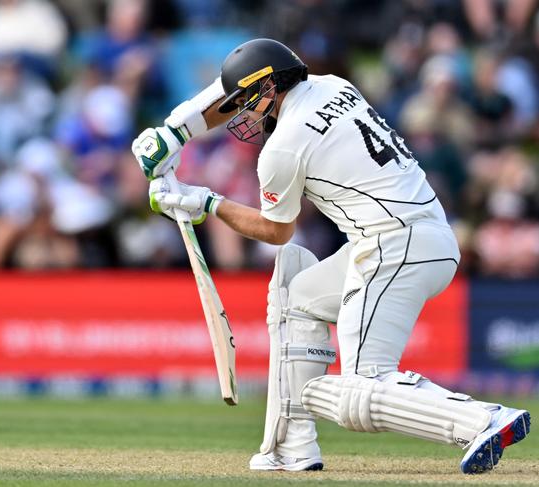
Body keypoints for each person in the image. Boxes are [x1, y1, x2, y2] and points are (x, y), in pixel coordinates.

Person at [131, 38, 531, 474]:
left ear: (269, 87)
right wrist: (176, 131)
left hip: (392, 245)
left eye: (248, 101)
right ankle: (293, 447)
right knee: (298, 298)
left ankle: (483, 420)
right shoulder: (331, 85)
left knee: (362, 385)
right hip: (420, 235)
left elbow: (277, 231)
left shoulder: (282, 148)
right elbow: (226, 88)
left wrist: (204, 202)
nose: (241, 111)